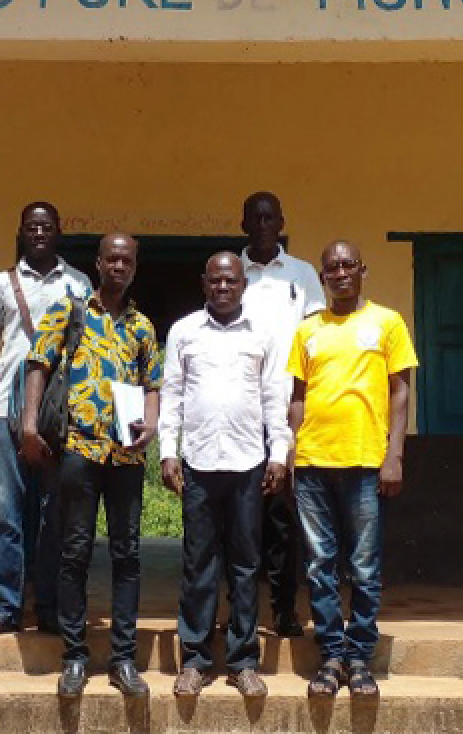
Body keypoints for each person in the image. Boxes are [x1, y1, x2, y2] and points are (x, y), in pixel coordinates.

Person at [20, 233, 162, 699]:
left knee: (127, 555)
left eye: (127, 260)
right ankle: (75, 656)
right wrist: (28, 425)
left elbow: (153, 383)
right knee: (75, 553)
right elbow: (39, 363)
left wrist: (152, 423)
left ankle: (123, 659)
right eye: (112, 258)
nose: (119, 266)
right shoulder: (72, 310)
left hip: (125, 455)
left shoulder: (142, 326)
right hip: (78, 451)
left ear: (135, 266)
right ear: (98, 263)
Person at [287, 240, 416, 698]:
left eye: (347, 265)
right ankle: (331, 657)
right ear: (322, 276)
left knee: (363, 565)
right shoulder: (308, 331)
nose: (340, 273)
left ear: (362, 270)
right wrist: (291, 451)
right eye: (331, 267)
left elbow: (400, 391)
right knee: (321, 565)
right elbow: (298, 396)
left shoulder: (387, 322)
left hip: (365, 461)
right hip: (312, 462)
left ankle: (360, 656)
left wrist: (394, 454)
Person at [159, 253, 290, 699]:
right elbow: (172, 393)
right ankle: (194, 659)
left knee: (245, 564)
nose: (222, 287)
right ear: (203, 283)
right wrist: (168, 452)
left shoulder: (263, 334)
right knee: (198, 563)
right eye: (214, 280)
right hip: (198, 462)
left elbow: (275, 395)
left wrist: (279, 453)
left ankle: (243, 661)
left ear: (243, 285)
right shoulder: (183, 331)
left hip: (248, 462)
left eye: (230, 280)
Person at [0, 202, 91, 637]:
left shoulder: (79, 283)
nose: (39, 233)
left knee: (54, 514)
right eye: (31, 227)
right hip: (7, 408)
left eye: (47, 227)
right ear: (21, 233)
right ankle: (4, 607)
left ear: (59, 232)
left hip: (59, 416)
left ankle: (50, 607)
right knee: (7, 512)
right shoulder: (1, 284)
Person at [239, 191, 325, 638]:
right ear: (244, 225)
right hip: (236, 413)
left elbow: (314, 339)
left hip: (287, 410)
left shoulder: (302, 274)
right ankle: (239, 613)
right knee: (239, 520)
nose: (263, 224)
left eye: (271, 217)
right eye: (255, 218)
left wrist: (302, 411)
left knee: (283, 519)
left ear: (282, 222)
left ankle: (285, 610)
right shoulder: (232, 272)